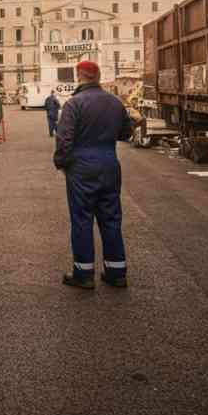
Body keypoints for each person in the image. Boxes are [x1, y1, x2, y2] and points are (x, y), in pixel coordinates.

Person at [53, 60, 134, 290]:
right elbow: (126, 132)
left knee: (82, 220)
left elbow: (64, 139)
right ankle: (116, 272)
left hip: (82, 168)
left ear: (80, 76)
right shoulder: (115, 102)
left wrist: (62, 163)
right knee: (111, 218)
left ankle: (83, 273)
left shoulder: (74, 104)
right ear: (98, 77)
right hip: (109, 164)